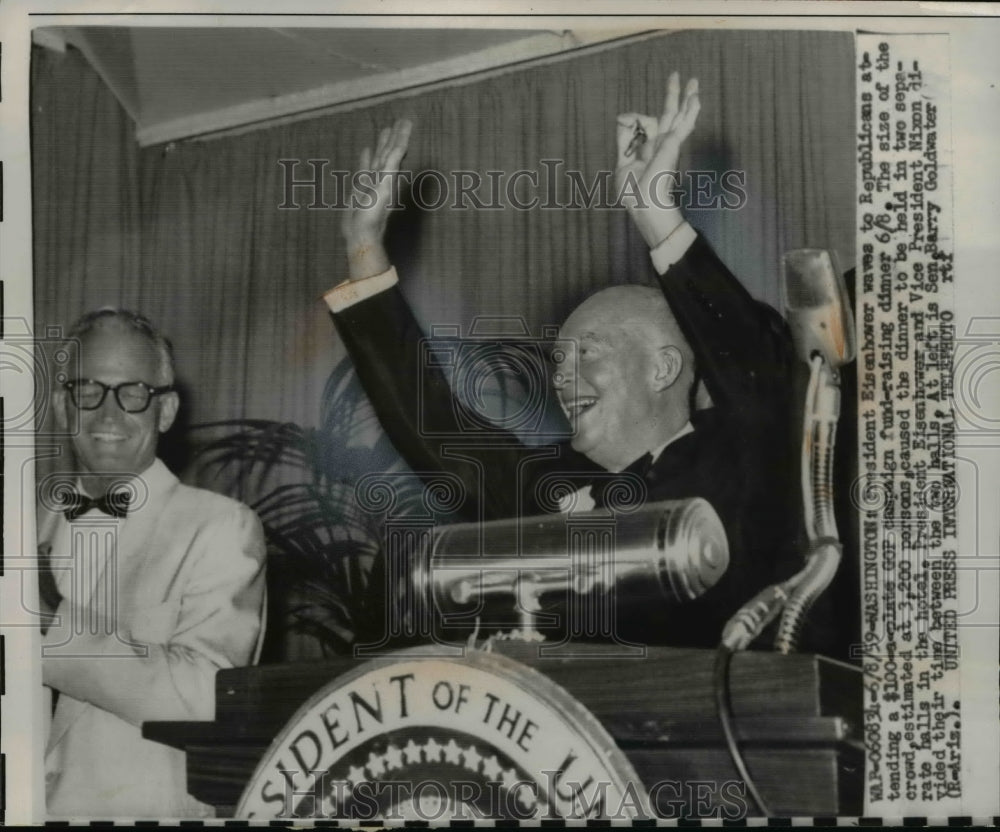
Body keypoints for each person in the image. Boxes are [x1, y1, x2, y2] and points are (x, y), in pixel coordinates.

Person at [324, 74, 799, 647]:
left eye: (587, 355)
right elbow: (438, 429)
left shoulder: (744, 455)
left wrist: (655, 216)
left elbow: (759, 378)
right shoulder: (547, 489)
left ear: (662, 368)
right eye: (556, 361)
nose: (561, 379)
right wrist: (364, 249)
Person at [38, 309, 267, 818]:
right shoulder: (19, 528)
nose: (108, 416)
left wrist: (55, 624)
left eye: (133, 392)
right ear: (61, 405)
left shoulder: (220, 528)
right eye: (87, 390)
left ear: (164, 412)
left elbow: (210, 702)